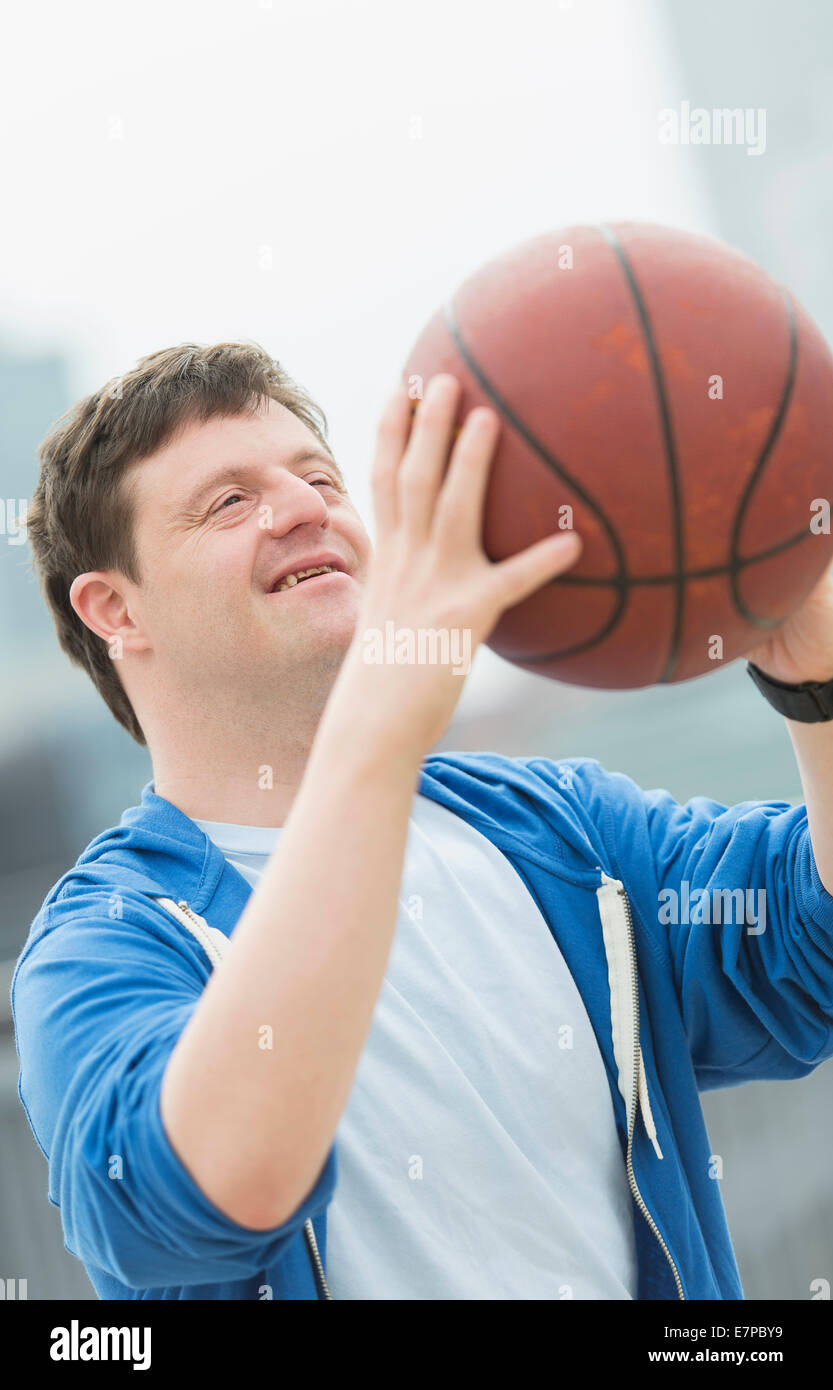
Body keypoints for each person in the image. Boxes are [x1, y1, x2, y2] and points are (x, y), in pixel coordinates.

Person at [12, 341, 833, 1301]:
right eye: (230, 501)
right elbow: (196, 1197)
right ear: (115, 610)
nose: (306, 505)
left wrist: (814, 684)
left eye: (319, 478)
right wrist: (381, 725)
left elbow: (809, 941)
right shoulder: (101, 947)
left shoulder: (556, 831)